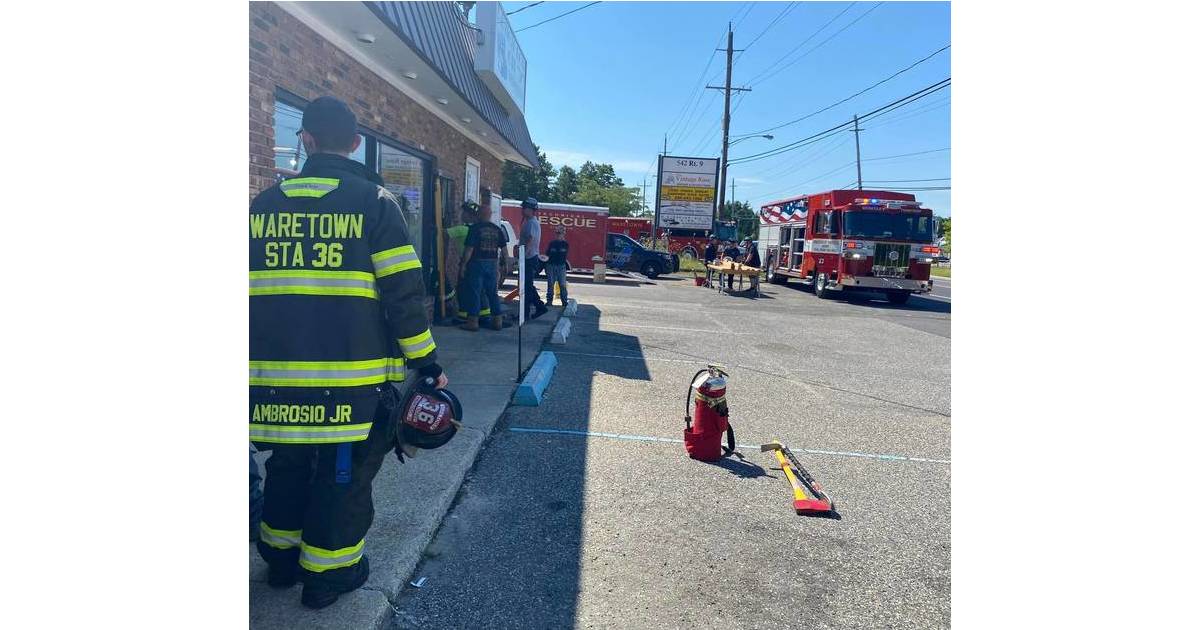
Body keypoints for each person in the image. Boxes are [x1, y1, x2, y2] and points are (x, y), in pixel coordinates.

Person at [249, 96, 448, 609]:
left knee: (287, 465)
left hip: (274, 380)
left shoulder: (262, 207)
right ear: (356, 144)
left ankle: (279, 563)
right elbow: (404, 294)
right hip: (351, 384)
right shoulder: (374, 203)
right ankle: (328, 577)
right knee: (343, 474)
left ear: (305, 140)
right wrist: (427, 362)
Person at [459, 198, 508, 331]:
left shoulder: (475, 229)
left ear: (479, 214)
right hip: (492, 264)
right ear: (490, 215)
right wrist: (504, 266)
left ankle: (473, 323)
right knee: (492, 293)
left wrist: (463, 265)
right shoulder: (497, 229)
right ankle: (497, 321)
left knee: (475, 292)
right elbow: (504, 250)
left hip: (476, 263)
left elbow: (469, 249)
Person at [448, 201, 493, 324]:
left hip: (468, 264)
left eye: (464, 212)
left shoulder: (463, 229)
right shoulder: (480, 230)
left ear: (470, 215)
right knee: (479, 289)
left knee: (463, 289)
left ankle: (463, 316)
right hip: (482, 264)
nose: (461, 215)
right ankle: (484, 315)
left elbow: (442, 233)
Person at [518, 197, 548, 319]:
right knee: (527, 287)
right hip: (528, 258)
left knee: (526, 288)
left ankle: (532, 310)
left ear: (531, 209)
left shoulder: (531, 223)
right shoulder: (528, 221)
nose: (522, 210)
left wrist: (522, 255)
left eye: (525, 208)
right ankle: (534, 309)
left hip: (529, 258)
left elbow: (530, 240)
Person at [544, 225, 570, 307]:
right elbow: (547, 254)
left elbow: (564, 255)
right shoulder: (552, 243)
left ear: (563, 234)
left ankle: (564, 301)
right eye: (557, 233)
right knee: (550, 284)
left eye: (560, 233)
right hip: (551, 265)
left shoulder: (565, 244)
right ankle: (549, 301)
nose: (558, 235)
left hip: (561, 266)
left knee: (562, 285)